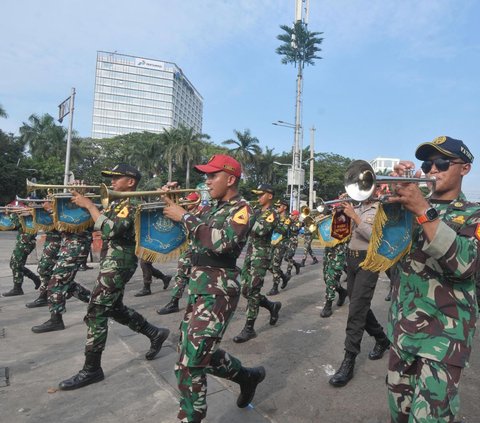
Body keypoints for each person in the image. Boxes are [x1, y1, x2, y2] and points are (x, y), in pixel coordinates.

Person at [162, 154, 265, 423]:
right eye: (206, 176)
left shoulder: (242, 208)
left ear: (230, 179)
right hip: (199, 287)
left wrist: (184, 215)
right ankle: (247, 376)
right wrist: (170, 203)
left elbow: (222, 243)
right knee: (191, 351)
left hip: (218, 291)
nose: (206, 181)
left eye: (212, 176)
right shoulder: (210, 208)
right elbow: (187, 228)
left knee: (191, 363)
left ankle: (190, 417)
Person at [386, 136, 480, 422]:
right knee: (398, 415)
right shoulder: (410, 212)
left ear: (464, 169)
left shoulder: (474, 215)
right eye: (426, 163)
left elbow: (465, 265)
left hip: (443, 340)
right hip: (402, 332)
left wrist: (423, 211)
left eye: (441, 162)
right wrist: (393, 199)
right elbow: (383, 254)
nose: (432, 170)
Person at [57, 163, 170, 390]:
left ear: (130, 182)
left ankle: (92, 369)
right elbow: (95, 225)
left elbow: (110, 230)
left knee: (97, 310)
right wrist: (81, 200)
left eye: (116, 178)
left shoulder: (133, 203)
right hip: (112, 260)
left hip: (120, 261)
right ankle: (154, 332)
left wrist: (89, 205)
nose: (111, 182)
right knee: (113, 307)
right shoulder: (117, 203)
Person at [329, 191, 390, 387]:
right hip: (352, 258)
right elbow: (341, 234)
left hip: (369, 260)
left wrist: (355, 217)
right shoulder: (356, 206)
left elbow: (377, 238)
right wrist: (340, 214)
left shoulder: (380, 208)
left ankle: (349, 358)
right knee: (359, 305)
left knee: (355, 309)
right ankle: (381, 338)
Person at [233, 183, 282, 343]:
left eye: (261, 194)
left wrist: (247, 219)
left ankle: (249, 328)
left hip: (261, 256)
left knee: (253, 291)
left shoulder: (272, 214)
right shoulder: (257, 211)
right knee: (246, 291)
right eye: (257, 195)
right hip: (250, 254)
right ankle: (271, 306)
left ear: (270, 195)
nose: (258, 197)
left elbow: (259, 230)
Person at [157, 191, 201, 315]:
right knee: (181, 275)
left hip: (197, 250)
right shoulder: (186, 213)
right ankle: (174, 302)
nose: (186, 203)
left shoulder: (199, 213)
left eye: (189, 201)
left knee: (195, 278)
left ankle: (190, 304)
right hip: (188, 249)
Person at [2, 206, 41, 296]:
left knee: (16, 264)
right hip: (23, 242)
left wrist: (12, 214)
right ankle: (34, 278)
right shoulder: (27, 214)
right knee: (15, 264)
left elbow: (16, 225)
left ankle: (18, 288)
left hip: (25, 243)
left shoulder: (31, 215)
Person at [267, 198, 290, 296]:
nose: (277, 208)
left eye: (279, 206)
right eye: (276, 206)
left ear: (284, 207)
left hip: (281, 244)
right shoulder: (274, 217)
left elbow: (283, 231)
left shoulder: (287, 219)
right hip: (272, 242)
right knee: (269, 265)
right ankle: (284, 277)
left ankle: (275, 287)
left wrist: (274, 226)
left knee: (276, 265)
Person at [283, 209, 302, 283]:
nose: (291, 216)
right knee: (285, 258)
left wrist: (289, 222)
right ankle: (296, 264)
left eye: (293, 215)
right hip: (287, 241)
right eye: (291, 215)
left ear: (297, 216)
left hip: (293, 241)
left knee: (289, 256)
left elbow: (294, 229)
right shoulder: (290, 221)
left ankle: (288, 272)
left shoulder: (298, 223)